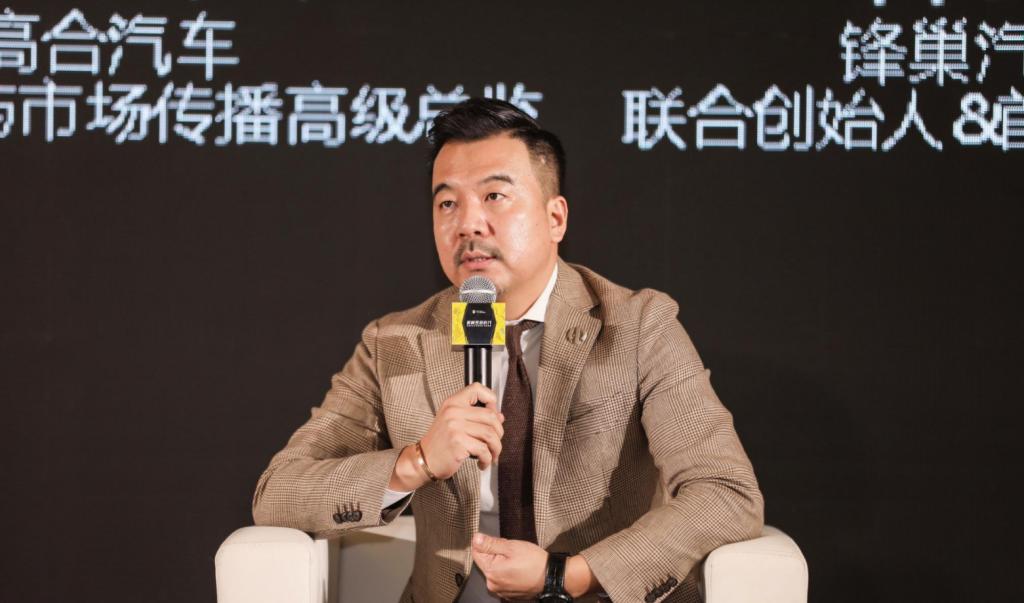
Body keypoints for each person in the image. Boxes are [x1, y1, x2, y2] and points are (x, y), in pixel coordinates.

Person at [252, 98, 763, 602]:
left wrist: (567, 575)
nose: (468, 224)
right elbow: (279, 491)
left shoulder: (638, 325)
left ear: (555, 218)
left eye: (494, 196)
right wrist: (417, 461)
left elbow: (725, 491)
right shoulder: (395, 343)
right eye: (447, 203)